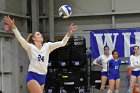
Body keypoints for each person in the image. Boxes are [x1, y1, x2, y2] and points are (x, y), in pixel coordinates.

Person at [5, 16, 78, 93]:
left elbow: (62, 43)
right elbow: (20, 38)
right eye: (38, 34)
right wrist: (13, 27)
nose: (41, 35)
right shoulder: (30, 47)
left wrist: (68, 33)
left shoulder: (47, 46)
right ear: (33, 38)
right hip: (33, 76)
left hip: (43, 77)